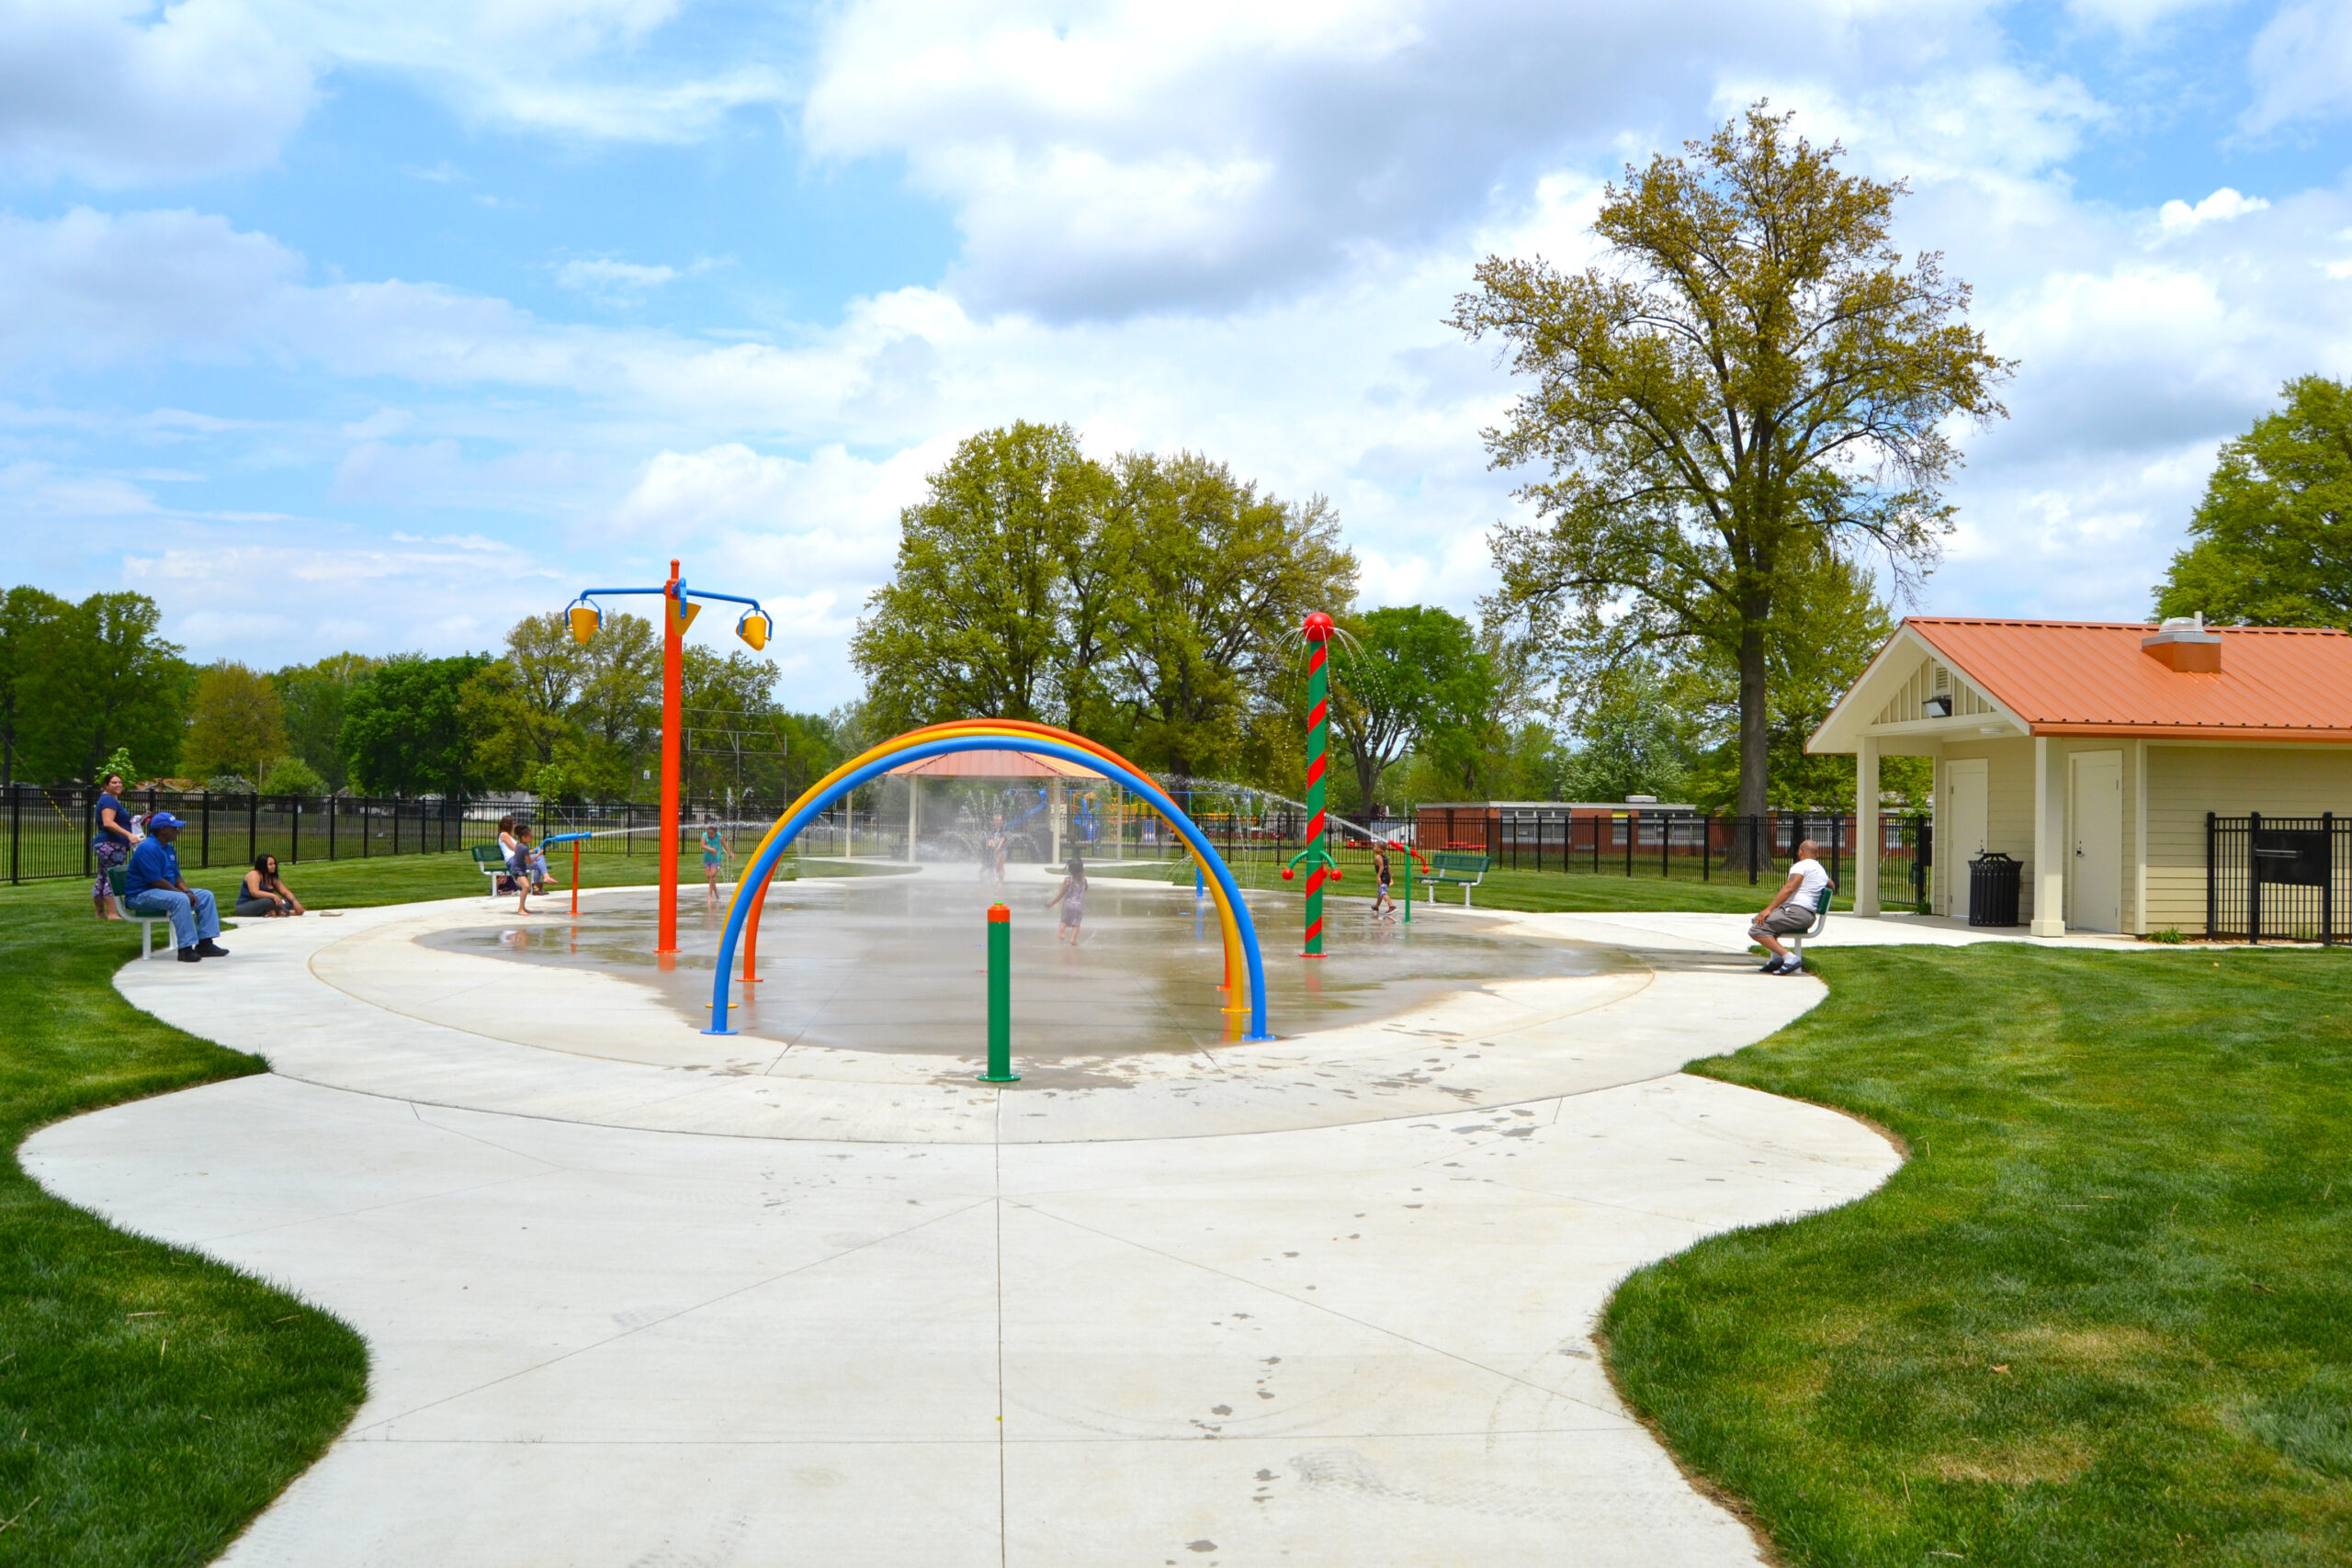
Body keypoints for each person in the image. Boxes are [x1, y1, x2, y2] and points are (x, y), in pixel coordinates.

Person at [120, 813, 228, 964]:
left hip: (162, 892)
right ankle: (185, 949)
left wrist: (188, 891)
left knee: (206, 896)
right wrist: (182, 894)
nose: (178, 830)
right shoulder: (147, 848)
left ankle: (205, 944)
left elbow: (176, 877)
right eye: (175, 828)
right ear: (164, 829)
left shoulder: (168, 848)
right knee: (180, 899)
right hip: (140, 895)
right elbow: (155, 881)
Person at [1750, 838, 1835, 976]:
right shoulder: (1820, 870)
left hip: (1796, 912)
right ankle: (1777, 960)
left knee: (1757, 928)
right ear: (1816, 854)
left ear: (1801, 851)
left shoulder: (1800, 866)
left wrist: (1769, 909)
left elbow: (1789, 888)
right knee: (1763, 921)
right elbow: (1831, 885)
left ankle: (1790, 958)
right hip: (1807, 915)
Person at [90, 773, 135, 920]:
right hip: (111, 843)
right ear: (106, 785)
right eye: (114, 783)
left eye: (119, 782)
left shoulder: (107, 800)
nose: (118, 785)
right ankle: (113, 913)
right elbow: (108, 822)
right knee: (112, 877)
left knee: (102, 877)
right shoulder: (109, 801)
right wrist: (128, 835)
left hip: (104, 843)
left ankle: (100, 913)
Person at [236, 853, 305, 918]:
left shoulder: (272, 878)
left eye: (274, 863)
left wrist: (295, 902)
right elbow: (254, 892)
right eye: (270, 864)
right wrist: (273, 896)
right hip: (245, 906)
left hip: (265, 904)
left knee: (287, 901)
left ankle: (272, 912)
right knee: (268, 901)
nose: (274, 866)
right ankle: (288, 913)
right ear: (263, 865)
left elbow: (285, 892)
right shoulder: (254, 874)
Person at [1045, 854, 1086, 945]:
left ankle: (1062, 930)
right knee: (1076, 924)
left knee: (1064, 921)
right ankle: (1073, 939)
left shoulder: (1067, 880)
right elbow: (1086, 888)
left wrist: (1051, 903)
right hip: (1078, 906)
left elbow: (1061, 894)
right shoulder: (1084, 880)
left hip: (1067, 905)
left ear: (1070, 869)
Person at [499, 820, 537, 915]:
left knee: (526, 887)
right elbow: (529, 861)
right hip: (516, 870)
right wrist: (538, 855)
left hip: (521, 869)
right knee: (526, 886)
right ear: (523, 837)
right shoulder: (524, 848)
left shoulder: (521, 845)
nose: (532, 839)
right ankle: (520, 909)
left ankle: (523, 908)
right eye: (530, 837)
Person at [700, 824, 729, 908]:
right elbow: (702, 846)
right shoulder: (704, 835)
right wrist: (712, 849)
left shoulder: (719, 836)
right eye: (709, 833)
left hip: (716, 859)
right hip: (707, 858)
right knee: (709, 877)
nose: (710, 835)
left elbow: (725, 845)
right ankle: (717, 893)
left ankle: (709, 895)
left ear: (715, 833)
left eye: (712, 834)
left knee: (712, 876)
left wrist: (730, 854)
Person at [1371, 845, 1396, 919]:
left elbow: (1381, 867)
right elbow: (1388, 867)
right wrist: (1391, 877)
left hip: (1383, 877)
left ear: (1380, 849)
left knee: (1382, 892)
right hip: (1386, 876)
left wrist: (1378, 877)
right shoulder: (1385, 857)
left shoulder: (1378, 857)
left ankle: (1392, 906)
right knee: (1380, 892)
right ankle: (1377, 906)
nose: (1374, 848)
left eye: (1376, 847)